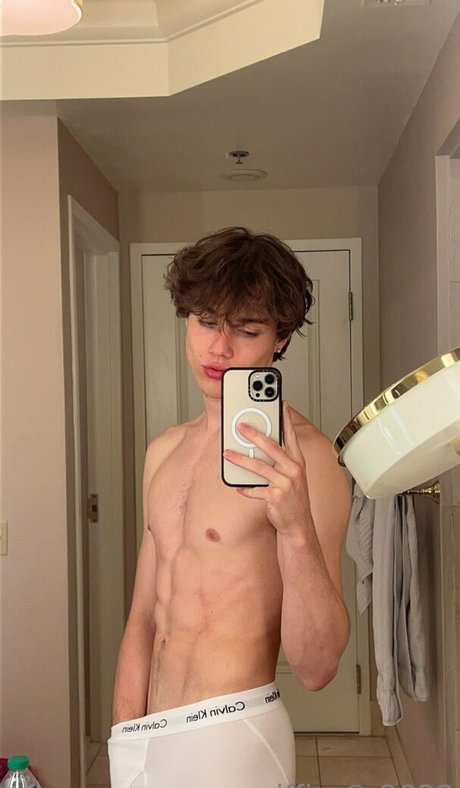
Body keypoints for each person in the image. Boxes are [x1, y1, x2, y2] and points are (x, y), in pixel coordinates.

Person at [108, 227, 351, 788]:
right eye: (206, 321)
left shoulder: (308, 460)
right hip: (143, 736)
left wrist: (295, 528)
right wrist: (125, 735)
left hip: (233, 734)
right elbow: (144, 615)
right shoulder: (163, 451)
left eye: (246, 330)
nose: (219, 348)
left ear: (280, 338)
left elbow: (318, 667)